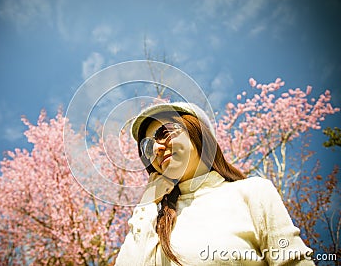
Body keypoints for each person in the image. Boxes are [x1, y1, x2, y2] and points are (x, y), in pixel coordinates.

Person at [115, 102, 315, 265]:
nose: (157, 147)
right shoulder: (153, 221)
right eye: (147, 146)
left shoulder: (251, 192)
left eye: (164, 132)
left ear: (197, 133)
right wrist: (146, 204)